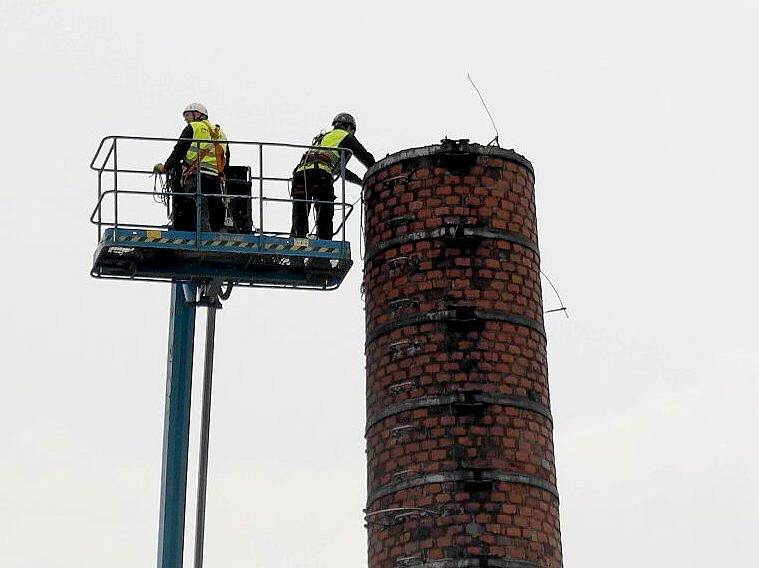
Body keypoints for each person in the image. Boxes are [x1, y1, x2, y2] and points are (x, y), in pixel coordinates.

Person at [290, 113, 375, 241]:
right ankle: (324, 246)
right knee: (324, 212)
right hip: (320, 176)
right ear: (350, 128)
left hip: (301, 175)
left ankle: (297, 246)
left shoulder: (322, 138)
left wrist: (360, 181)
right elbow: (365, 156)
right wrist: (378, 170)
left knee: (300, 214)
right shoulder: (345, 136)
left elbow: (340, 170)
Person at [154, 103, 229, 232]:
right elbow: (226, 157)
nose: (186, 119)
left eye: (187, 115)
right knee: (215, 204)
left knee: (198, 202)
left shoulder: (193, 127)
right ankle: (219, 231)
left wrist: (165, 167)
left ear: (198, 114)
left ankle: (202, 234)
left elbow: (178, 151)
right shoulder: (220, 133)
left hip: (196, 174)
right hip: (215, 177)